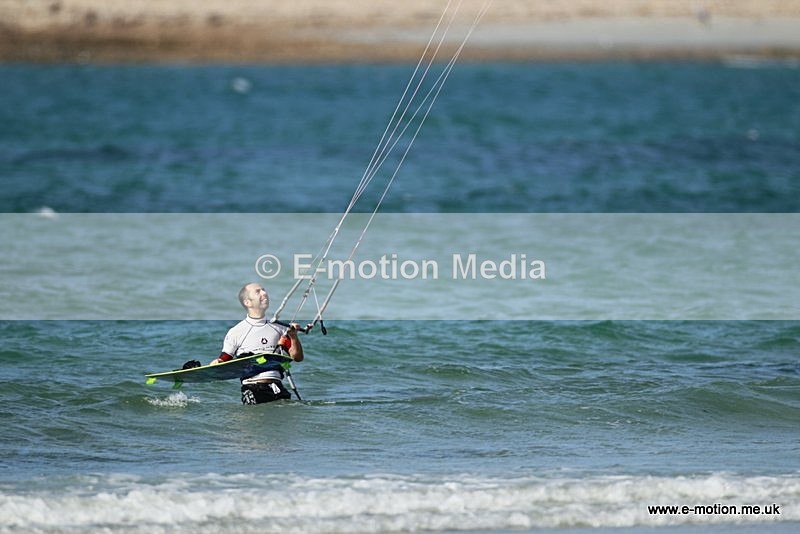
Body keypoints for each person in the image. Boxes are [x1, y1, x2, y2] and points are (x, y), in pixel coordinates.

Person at [210, 282, 304, 404]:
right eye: (258, 291)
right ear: (247, 302)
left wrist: (294, 337)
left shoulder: (279, 328)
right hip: (252, 387)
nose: (264, 293)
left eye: (264, 290)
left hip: (277, 386)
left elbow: (297, 357)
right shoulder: (236, 331)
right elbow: (225, 358)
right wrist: (218, 362)